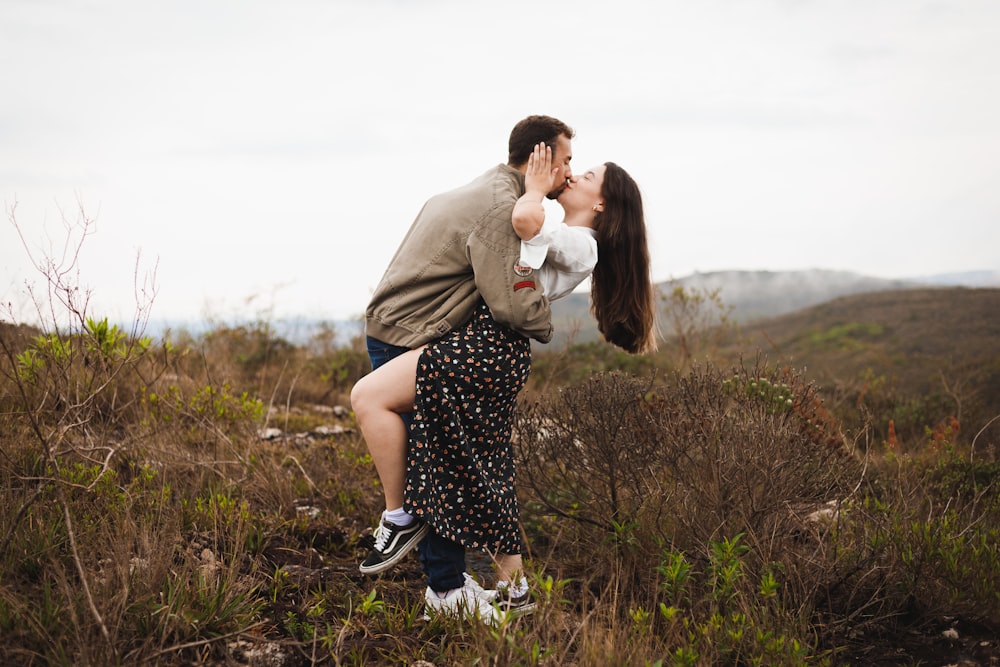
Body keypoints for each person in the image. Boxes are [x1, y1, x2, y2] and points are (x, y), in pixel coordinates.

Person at [351, 136, 658, 622]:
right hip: (494, 350)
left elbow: (522, 222)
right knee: (481, 467)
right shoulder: (576, 240)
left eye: (588, 174)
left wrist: (533, 187)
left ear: (602, 202)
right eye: (574, 165)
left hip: (486, 348)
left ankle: (402, 519)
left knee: (374, 401)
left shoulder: (581, 243)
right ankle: (513, 590)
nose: (575, 174)